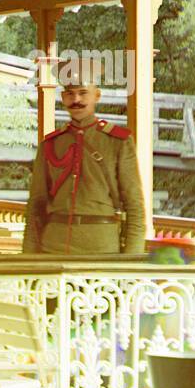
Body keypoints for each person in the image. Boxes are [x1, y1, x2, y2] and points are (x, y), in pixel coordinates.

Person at [23, 73, 146, 254]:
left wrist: (132, 259)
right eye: (70, 94)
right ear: (63, 98)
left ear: (97, 95)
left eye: (83, 93)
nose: (76, 100)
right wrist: (29, 255)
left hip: (101, 248)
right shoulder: (50, 143)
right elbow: (36, 205)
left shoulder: (118, 141)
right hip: (53, 247)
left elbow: (134, 204)